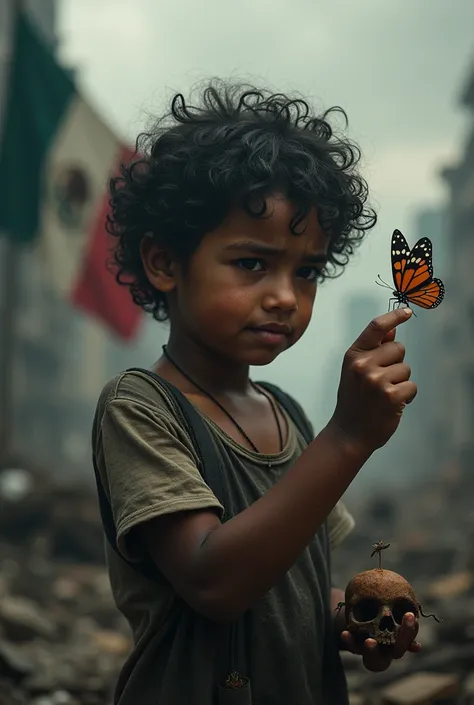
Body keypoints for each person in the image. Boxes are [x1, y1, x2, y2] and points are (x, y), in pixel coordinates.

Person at [92, 81, 420, 705]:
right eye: (251, 264)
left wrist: (349, 620)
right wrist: (348, 438)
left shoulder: (286, 414)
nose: (285, 297)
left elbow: (292, 583)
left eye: (307, 270)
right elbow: (215, 583)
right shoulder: (138, 408)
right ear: (164, 262)